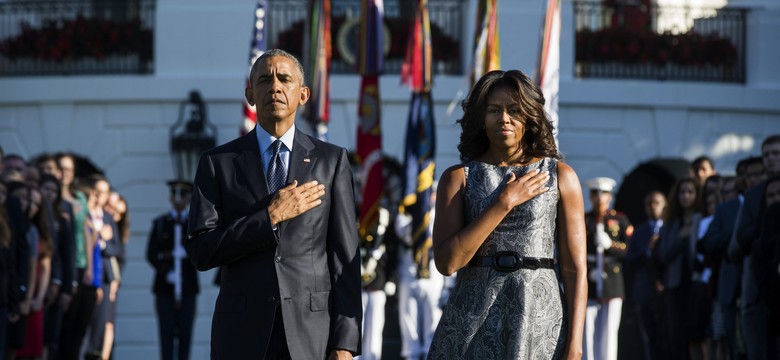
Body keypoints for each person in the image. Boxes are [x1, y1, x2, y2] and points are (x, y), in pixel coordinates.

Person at [184, 49, 362, 359]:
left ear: (303, 94)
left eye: (284, 79)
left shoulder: (331, 161)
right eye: (265, 80)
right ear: (250, 95)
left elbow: (344, 257)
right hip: (242, 336)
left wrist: (345, 343)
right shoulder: (217, 163)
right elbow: (201, 251)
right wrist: (268, 218)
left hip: (311, 336)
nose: (275, 87)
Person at [427, 69, 587, 359]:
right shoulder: (457, 178)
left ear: (530, 116)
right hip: (470, 324)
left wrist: (575, 347)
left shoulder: (560, 176)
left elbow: (575, 269)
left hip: (540, 323)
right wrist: (503, 203)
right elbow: (447, 263)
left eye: (514, 110)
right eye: (494, 110)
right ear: (481, 118)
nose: (504, 118)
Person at [147, 180, 200, 360]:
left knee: (185, 334)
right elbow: (151, 254)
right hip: (164, 287)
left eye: (183, 195)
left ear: (188, 198)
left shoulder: (194, 223)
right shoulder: (161, 223)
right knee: (166, 333)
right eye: (175, 195)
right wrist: (165, 271)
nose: (179, 200)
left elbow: (202, 251)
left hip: (188, 286)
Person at [582, 176, 631, 360]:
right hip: (590, 278)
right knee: (587, 331)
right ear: (591, 196)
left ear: (610, 196)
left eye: (604, 194)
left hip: (612, 280)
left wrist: (610, 245)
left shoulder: (620, 220)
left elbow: (629, 250)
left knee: (609, 334)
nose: (600, 198)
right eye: (596, 193)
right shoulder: (585, 219)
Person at [624, 191, 667, 360]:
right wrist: (647, 250)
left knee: (667, 335)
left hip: (666, 289)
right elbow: (630, 258)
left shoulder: (669, 227)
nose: (653, 206)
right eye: (649, 203)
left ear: (665, 205)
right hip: (644, 291)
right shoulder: (639, 231)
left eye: (657, 202)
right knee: (648, 337)